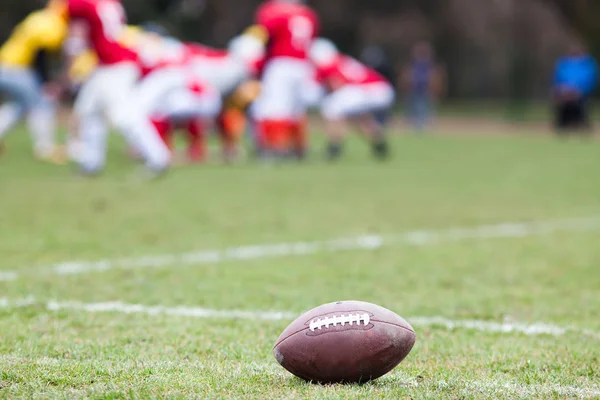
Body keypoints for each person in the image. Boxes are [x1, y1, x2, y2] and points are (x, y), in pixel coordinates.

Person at [65, 0, 171, 176]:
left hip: (114, 65)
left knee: (124, 116)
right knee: (90, 112)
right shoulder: (108, 3)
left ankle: (159, 158)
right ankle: (91, 163)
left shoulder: (81, 3)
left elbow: (77, 34)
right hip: (110, 63)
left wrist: (69, 67)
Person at [0, 0, 69, 163]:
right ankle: (45, 148)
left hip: (5, 65)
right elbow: (41, 55)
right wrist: (47, 81)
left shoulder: (37, 17)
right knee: (41, 104)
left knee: (19, 106)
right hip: (18, 69)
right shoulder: (53, 23)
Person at [253, 0, 319, 160]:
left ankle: (275, 148)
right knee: (295, 110)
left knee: (274, 107)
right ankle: (298, 147)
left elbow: (264, 35)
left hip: (281, 62)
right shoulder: (307, 13)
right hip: (303, 63)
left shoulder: (274, 11)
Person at [309, 38, 395, 161]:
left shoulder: (327, 63)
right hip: (382, 88)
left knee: (332, 106)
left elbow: (336, 84)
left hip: (367, 89)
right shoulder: (340, 59)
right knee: (356, 114)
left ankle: (334, 146)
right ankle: (378, 143)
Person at [399, 41, 445, 132]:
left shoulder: (430, 65)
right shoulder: (412, 64)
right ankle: (415, 125)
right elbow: (406, 76)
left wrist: (436, 88)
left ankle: (424, 125)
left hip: (426, 90)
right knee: (413, 107)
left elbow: (436, 77)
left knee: (426, 108)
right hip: (414, 89)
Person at [552, 43, 598, 135]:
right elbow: (557, 78)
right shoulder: (564, 63)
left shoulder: (588, 64)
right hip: (564, 91)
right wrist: (562, 88)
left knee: (578, 102)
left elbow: (591, 79)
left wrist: (579, 89)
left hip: (582, 91)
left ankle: (580, 124)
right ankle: (563, 125)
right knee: (563, 101)